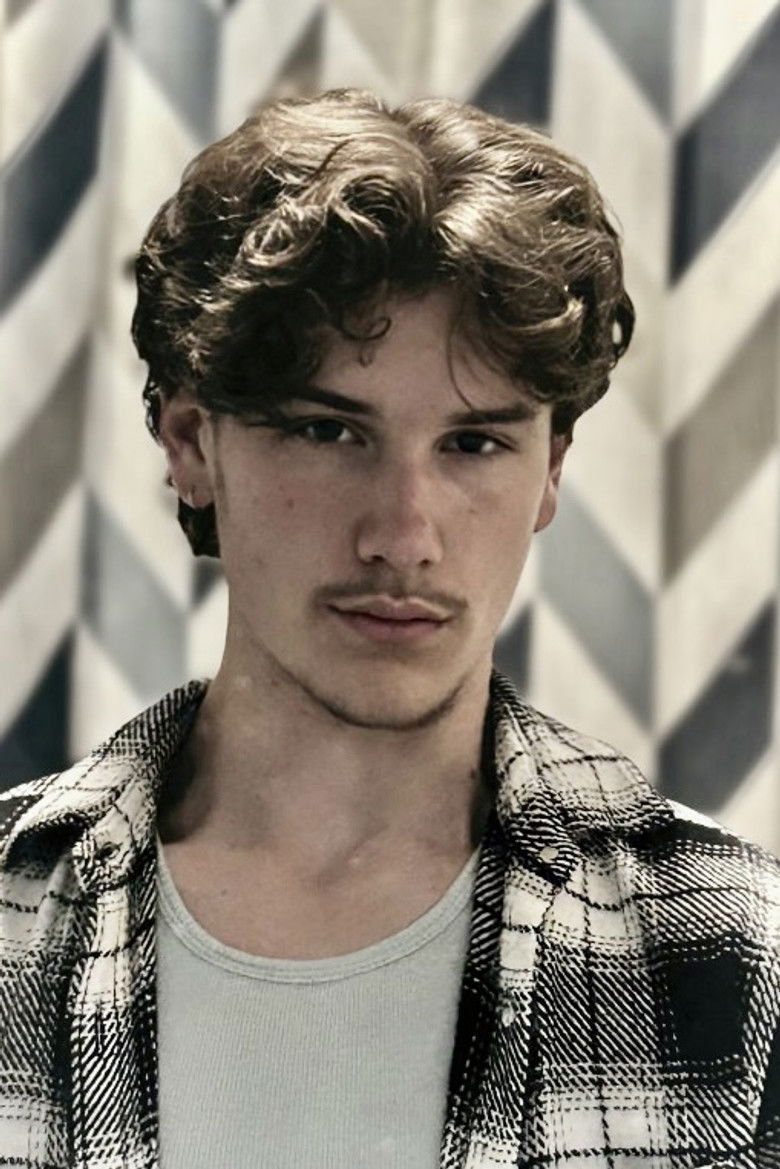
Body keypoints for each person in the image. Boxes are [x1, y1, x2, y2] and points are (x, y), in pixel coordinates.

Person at [0, 88, 777, 1169]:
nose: (404, 536)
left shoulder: (732, 949)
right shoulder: (14, 913)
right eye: (330, 432)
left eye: (474, 444)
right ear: (191, 443)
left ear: (551, 469)